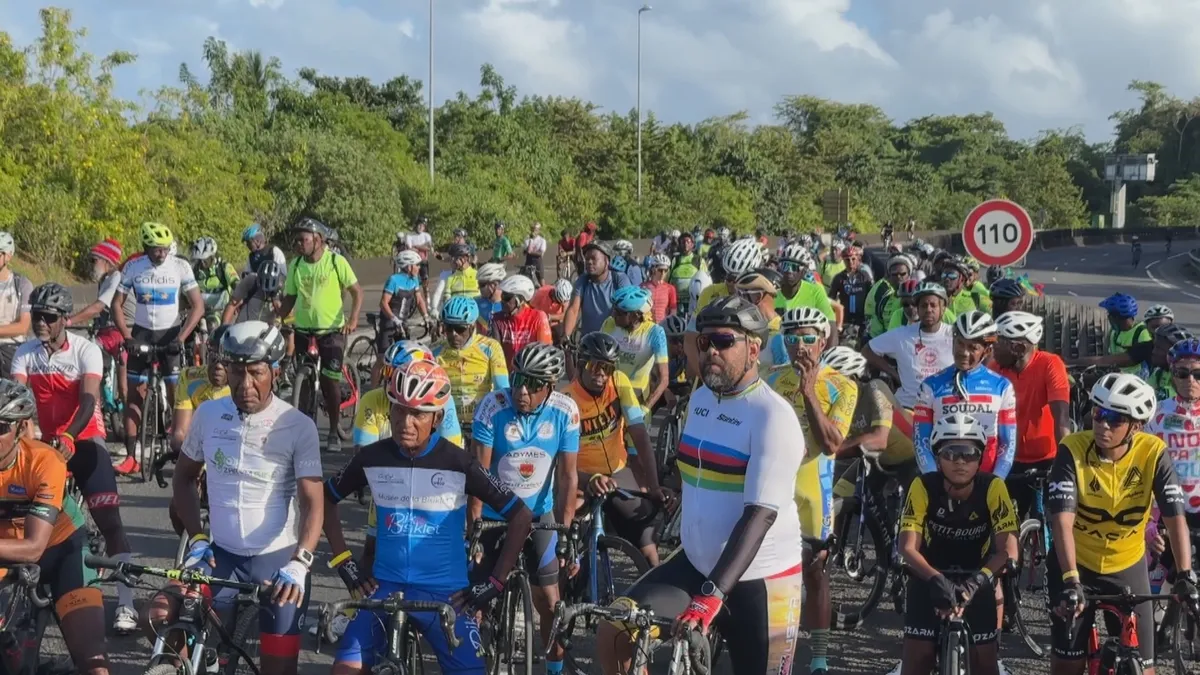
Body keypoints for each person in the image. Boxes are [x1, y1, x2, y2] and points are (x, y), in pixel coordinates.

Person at [596, 295, 804, 675]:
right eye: (704, 343)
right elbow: (693, 468)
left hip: (760, 582)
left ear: (754, 348)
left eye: (724, 341)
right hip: (696, 564)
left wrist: (711, 596)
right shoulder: (702, 399)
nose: (711, 351)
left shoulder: (772, 416)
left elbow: (759, 515)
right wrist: (663, 492)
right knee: (616, 629)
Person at [323, 359, 533, 675]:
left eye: (418, 414)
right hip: (385, 586)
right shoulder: (371, 457)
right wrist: (343, 561)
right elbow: (324, 498)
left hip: (446, 593)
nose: (405, 422)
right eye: (398, 409)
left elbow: (520, 515)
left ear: (437, 418)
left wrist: (495, 583)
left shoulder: (459, 462)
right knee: (344, 671)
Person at [158, 321, 323, 675]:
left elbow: (312, 501)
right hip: (221, 556)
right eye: (236, 372)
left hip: (277, 561)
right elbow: (184, 478)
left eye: (256, 373)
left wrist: (301, 562)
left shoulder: (298, 425)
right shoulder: (208, 414)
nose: (245, 384)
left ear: (275, 372)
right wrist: (199, 538)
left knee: (278, 668)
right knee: (162, 614)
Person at [1047, 373, 1197, 675]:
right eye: (1098, 414)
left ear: (1136, 426)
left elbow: (1174, 514)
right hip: (1076, 564)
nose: (1102, 425)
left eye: (1114, 419)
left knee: (1146, 667)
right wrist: (1071, 580)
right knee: (1067, 665)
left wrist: (1185, 574)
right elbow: (1061, 521)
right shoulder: (1072, 449)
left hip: (1127, 565)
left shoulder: (1153, 453)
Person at [11, 283, 137, 633]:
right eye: (37, 315)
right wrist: (31, 433)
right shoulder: (26, 352)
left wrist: (68, 435)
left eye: (49, 317)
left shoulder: (87, 350)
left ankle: (125, 604)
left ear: (65, 319)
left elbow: (88, 401)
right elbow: (19, 399)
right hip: (43, 443)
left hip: (82, 438)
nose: (41, 323)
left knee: (110, 523)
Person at [470, 343, 579, 674]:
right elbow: (478, 476)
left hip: (538, 515)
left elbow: (568, 478)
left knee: (549, 601)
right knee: (475, 601)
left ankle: (555, 670)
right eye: (518, 379)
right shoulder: (492, 406)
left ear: (549, 386)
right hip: (494, 515)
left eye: (532, 384)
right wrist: (474, 527)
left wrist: (566, 533)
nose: (521, 391)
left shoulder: (565, 411)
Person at [765, 306, 856, 675]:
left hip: (812, 491)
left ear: (822, 341)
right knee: (768, 573)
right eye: (791, 337)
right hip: (774, 485)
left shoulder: (842, 384)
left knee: (816, 572)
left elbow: (832, 443)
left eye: (807, 338)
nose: (799, 346)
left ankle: (818, 658)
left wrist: (808, 392)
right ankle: (772, 650)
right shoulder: (770, 379)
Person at [0, 379, 110, 675]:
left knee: (93, 664)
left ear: (22, 428)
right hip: (5, 552)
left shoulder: (44, 460)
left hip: (60, 550)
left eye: (0, 428)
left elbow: (35, 546)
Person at [896, 414, 1018, 675]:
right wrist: (935, 579)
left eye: (970, 454)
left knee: (985, 666)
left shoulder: (993, 487)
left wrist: (977, 582)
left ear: (980, 458)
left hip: (978, 576)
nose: (960, 461)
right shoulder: (922, 486)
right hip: (929, 574)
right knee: (919, 660)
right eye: (951, 453)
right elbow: (907, 547)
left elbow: (1009, 549)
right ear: (938, 457)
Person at [563, 332, 670, 566]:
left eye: (607, 367)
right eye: (594, 366)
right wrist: (587, 479)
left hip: (617, 471)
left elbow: (640, 436)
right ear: (581, 364)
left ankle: (652, 587)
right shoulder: (567, 399)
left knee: (647, 542)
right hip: (582, 477)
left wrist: (652, 486)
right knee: (564, 538)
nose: (601, 374)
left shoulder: (619, 382)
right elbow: (560, 464)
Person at [111, 222, 204, 475]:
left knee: (177, 392)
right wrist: (127, 336)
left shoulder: (180, 266)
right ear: (146, 248)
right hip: (141, 333)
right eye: (156, 249)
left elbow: (198, 306)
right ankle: (132, 456)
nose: (161, 253)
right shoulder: (133, 267)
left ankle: (180, 442)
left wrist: (182, 337)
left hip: (171, 335)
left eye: (164, 249)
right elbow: (116, 305)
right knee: (133, 396)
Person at [275, 217, 363, 453]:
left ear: (318, 240)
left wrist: (353, 319)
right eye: (297, 239)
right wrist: (277, 319)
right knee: (302, 383)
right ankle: (303, 430)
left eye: (303, 239)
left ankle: (333, 431)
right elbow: (291, 297)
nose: (298, 243)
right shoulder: (295, 265)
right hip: (304, 331)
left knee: (329, 380)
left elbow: (356, 292)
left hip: (332, 332)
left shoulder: (335, 261)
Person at [914, 311, 1016, 482]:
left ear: (987, 350)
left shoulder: (1002, 387)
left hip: (986, 478)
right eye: (960, 344)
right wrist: (932, 479)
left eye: (973, 347)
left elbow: (1007, 443)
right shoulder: (930, 385)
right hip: (943, 479)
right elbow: (921, 441)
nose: (964, 352)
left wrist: (996, 480)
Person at [991, 312, 1070, 519]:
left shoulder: (1050, 364)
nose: (992, 348)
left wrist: (1067, 462)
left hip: (1048, 457)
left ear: (1018, 348)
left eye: (998, 342)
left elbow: (1061, 418)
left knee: (1058, 519)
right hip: (1008, 459)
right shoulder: (995, 368)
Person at [863, 281, 955, 410]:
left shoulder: (955, 335)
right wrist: (893, 373)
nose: (928, 309)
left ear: (943, 308)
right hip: (908, 407)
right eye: (923, 306)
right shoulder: (901, 334)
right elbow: (867, 350)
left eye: (933, 305)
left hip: (945, 408)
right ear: (918, 309)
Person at [431, 297, 508, 443]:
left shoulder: (491, 348)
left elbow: (502, 389)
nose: (453, 334)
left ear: (473, 326)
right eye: (448, 328)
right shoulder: (435, 351)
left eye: (460, 329)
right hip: (448, 425)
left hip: (482, 423)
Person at [70, 238, 130, 406]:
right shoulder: (105, 280)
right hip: (105, 333)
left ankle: (130, 427)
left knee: (124, 388)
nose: (92, 264)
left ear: (107, 261)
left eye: (94, 260)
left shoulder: (117, 277)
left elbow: (98, 307)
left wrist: (70, 321)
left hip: (118, 334)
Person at [602, 286, 669, 411]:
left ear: (636, 315)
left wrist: (646, 408)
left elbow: (664, 379)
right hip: (610, 393)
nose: (614, 315)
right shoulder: (609, 324)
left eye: (620, 312)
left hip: (638, 397)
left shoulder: (655, 333)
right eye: (614, 310)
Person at [373, 250, 431, 387]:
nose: (419, 268)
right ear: (408, 266)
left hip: (402, 323)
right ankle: (371, 393)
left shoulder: (414, 279)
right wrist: (393, 318)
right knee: (382, 360)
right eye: (416, 265)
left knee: (405, 358)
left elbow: (419, 300)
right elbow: (383, 303)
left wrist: (426, 317)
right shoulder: (393, 280)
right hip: (389, 322)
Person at [562, 241, 631, 339]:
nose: (589, 262)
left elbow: (627, 310)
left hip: (614, 343)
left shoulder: (619, 279)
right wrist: (566, 336)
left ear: (607, 261)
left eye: (594, 259)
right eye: (587, 259)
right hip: (588, 343)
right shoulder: (582, 281)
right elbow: (573, 309)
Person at [490, 275, 553, 369]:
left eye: (507, 298)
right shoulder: (497, 319)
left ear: (519, 300)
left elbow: (544, 353)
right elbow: (495, 353)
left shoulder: (538, 317)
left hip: (532, 375)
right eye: (502, 296)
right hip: (507, 376)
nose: (502, 301)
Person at [0, 232, 32, 378]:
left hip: (11, 348)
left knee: (11, 396)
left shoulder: (22, 284)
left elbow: (23, 326)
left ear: (8, 256)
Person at [190, 236, 239, 328]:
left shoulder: (223, 267)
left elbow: (237, 284)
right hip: (200, 308)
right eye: (200, 261)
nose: (202, 264)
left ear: (213, 256)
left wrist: (236, 301)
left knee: (212, 325)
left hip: (220, 309)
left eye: (206, 260)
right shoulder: (195, 269)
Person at [223, 259, 286, 325]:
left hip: (266, 332)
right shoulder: (251, 280)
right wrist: (223, 327)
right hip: (243, 328)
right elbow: (232, 304)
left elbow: (289, 319)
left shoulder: (282, 290)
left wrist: (279, 306)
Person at [830, 244, 873, 332]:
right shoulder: (839, 278)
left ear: (858, 259)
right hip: (846, 320)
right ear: (843, 261)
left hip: (862, 320)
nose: (850, 262)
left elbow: (872, 296)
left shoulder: (864, 276)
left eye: (853, 259)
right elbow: (831, 299)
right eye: (847, 260)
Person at [431, 244, 481, 314]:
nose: (453, 261)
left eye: (456, 258)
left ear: (465, 258)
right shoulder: (450, 278)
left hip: (476, 316)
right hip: (456, 318)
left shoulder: (478, 275)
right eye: (452, 258)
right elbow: (446, 301)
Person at [473, 262, 507, 332]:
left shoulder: (509, 305)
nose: (478, 288)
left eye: (482, 285)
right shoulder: (474, 303)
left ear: (494, 285)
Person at [642, 253, 676, 320]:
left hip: (663, 325)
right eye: (660, 270)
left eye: (665, 271)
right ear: (653, 269)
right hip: (647, 324)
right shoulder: (643, 287)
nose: (663, 273)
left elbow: (673, 311)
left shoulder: (670, 288)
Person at [405, 216, 434, 286]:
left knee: (425, 280)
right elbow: (409, 248)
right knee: (412, 279)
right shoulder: (409, 235)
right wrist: (423, 247)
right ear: (416, 225)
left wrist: (416, 246)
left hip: (423, 260)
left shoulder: (427, 235)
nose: (421, 227)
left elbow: (430, 248)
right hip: (413, 261)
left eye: (423, 226)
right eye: (420, 225)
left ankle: (427, 297)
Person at [522, 222, 547, 286]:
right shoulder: (527, 239)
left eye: (535, 230)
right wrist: (531, 240)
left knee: (541, 280)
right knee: (525, 280)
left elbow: (541, 253)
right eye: (532, 230)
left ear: (538, 231)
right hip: (529, 261)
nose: (534, 232)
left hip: (537, 261)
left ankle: (544, 292)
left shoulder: (542, 240)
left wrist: (531, 252)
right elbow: (524, 252)